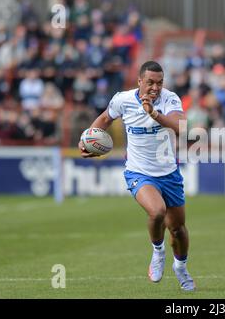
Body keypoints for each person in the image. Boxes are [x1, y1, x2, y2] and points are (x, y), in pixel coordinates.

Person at [78, 61, 195, 291]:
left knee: (178, 229)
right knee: (157, 211)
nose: (155, 87)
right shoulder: (122, 100)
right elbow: (104, 119)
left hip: (169, 173)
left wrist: (154, 113)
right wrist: (88, 140)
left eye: (159, 83)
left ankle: (181, 268)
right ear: (139, 81)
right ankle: (158, 252)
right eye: (150, 82)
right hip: (138, 172)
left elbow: (181, 127)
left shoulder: (169, 99)